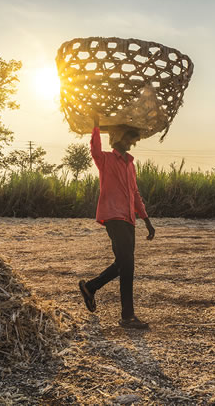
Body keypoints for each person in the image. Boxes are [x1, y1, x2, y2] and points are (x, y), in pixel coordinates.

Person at [78, 122, 155, 329]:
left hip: (129, 220)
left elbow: (135, 194)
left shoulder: (130, 164)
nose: (132, 143)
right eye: (130, 138)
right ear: (119, 137)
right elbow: (94, 148)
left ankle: (91, 287)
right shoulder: (105, 159)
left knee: (124, 264)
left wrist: (146, 220)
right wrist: (95, 124)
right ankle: (127, 316)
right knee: (126, 264)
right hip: (113, 217)